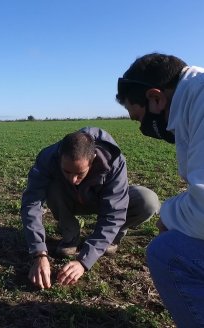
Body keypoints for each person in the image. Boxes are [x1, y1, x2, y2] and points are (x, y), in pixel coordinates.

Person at [116, 53, 204, 327]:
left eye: (139, 117)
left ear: (156, 98)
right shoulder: (193, 95)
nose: (144, 128)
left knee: (167, 253)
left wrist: (168, 215)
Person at [21, 127, 160, 289]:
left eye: (80, 173)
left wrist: (83, 261)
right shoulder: (48, 157)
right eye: (67, 171)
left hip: (101, 201)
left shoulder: (114, 160)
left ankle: (110, 238)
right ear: (60, 157)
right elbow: (31, 204)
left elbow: (114, 213)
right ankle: (70, 234)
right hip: (68, 198)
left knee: (148, 200)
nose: (73, 179)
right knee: (50, 186)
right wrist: (39, 253)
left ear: (93, 159)